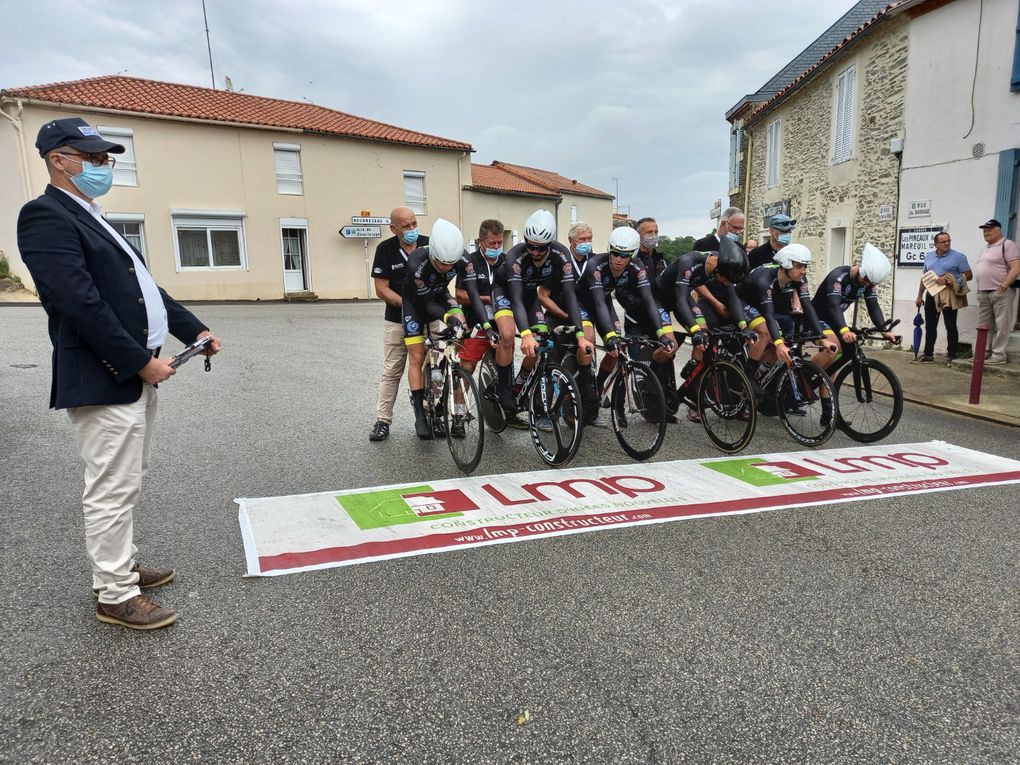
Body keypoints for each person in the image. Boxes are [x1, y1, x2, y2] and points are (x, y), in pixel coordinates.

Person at [17, 117, 221, 630]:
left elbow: (146, 290)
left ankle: (122, 566)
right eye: (92, 157)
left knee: (128, 480)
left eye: (107, 157)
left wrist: (194, 331)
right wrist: (137, 361)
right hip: (106, 374)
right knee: (109, 485)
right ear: (58, 160)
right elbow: (78, 303)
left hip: (134, 372)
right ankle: (114, 593)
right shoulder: (45, 216)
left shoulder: (95, 216)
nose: (104, 165)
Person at [490, 210, 594, 414]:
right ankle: (503, 388)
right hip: (505, 292)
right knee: (509, 335)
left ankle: (520, 381)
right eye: (531, 246)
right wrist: (526, 335)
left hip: (529, 295)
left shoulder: (561, 254)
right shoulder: (515, 256)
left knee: (539, 344)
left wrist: (581, 335)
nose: (535, 252)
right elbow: (516, 300)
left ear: (550, 244)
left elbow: (570, 297)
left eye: (541, 248)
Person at [401, 219, 473, 439]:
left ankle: (444, 396)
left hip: (441, 296)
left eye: (451, 264)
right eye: (442, 264)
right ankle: (420, 416)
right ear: (432, 253)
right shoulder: (416, 263)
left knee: (455, 331)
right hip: (415, 304)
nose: (447, 268)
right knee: (416, 357)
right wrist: (446, 317)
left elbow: (471, 294)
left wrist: (464, 321)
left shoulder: (463, 258)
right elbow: (427, 305)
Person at [368, 207, 429, 441]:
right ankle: (383, 421)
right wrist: (408, 305)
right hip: (397, 319)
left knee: (434, 366)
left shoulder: (428, 245)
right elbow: (381, 288)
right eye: (406, 226)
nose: (413, 229)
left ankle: (432, 415)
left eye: (414, 223)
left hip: (429, 317)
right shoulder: (385, 249)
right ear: (394, 229)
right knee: (392, 371)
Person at [538, 221, 601, 423]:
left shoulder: (594, 261)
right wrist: (563, 315)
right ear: (571, 241)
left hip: (582, 316)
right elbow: (543, 295)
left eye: (589, 239)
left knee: (586, 354)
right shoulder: (559, 263)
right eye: (582, 239)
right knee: (550, 363)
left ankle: (587, 407)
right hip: (558, 315)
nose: (587, 243)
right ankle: (543, 412)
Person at [812, 243, 898, 379]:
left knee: (832, 363)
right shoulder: (838, 276)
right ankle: (801, 378)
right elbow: (833, 306)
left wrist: (884, 331)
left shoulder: (867, 281)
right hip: (816, 319)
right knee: (835, 347)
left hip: (834, 321)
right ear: (862, 271)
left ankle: (828, 400)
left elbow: (873, 307)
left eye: (871, 284)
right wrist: (844, 330)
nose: (867, 285)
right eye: (866, 281)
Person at [913, 232, 972, 363]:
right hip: (932, 294)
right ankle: (928, 354)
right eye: (943, 242)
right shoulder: (929, 257)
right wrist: (919, 296)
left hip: (949, 294)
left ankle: (952, 354)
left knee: (950, 325)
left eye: (948, 241)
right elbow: (924, 278)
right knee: (930, 325)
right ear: (936, 244)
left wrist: (949, 279)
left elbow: (968, 275)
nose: (947, 243)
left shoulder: (958, 257)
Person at [973, 218, 1020, 365]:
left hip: (1000, 292)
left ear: (998, 230)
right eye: (984, 230)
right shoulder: (987, 248)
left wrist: (1004, 286)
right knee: (984, 326)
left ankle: (999, 355)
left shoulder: (1007, 244)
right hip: (984, 292)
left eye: (989, 229)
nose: (986, 232)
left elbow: (1016, 268)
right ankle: (984, 353)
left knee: (1002, 325)